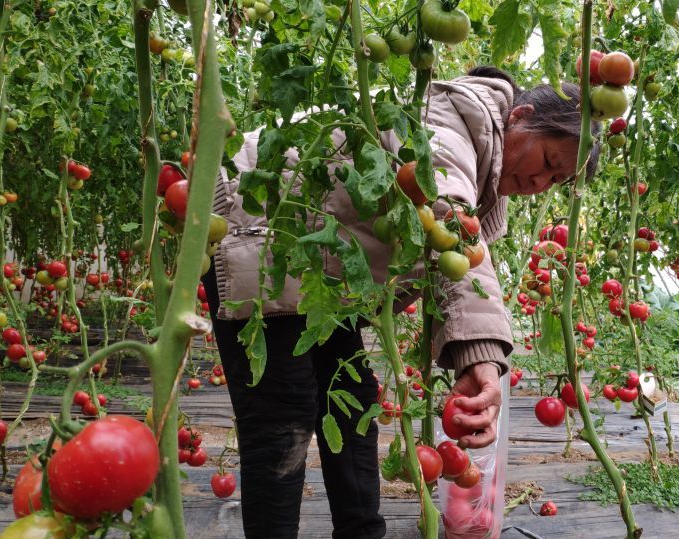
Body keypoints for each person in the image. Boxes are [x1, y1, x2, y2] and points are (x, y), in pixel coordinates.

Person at [201, 66, 596, 538]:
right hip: (260, 226)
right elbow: (447, 220)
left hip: (322, 264)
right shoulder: (452, 115)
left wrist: (474, 356)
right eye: (549, 161)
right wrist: (484, 353)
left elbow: (453, 254)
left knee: (355, 400)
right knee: (282, 413)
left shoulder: (488, 187)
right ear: (522, 117)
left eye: (555, 181)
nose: (540, 183)